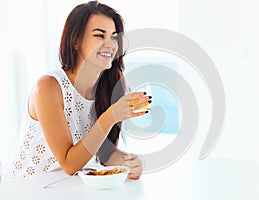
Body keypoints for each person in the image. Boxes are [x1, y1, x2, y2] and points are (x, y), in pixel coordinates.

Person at [1, 1, 151, 182]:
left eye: (113, 37)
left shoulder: (112, 83)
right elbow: (69, 164)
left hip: (70, 189)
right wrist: (111, 116)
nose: (110, 45)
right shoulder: (48, 87)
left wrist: (128, 162)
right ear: (76, 41)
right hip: (26, 189)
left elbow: (102, 153)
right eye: (99, 35)